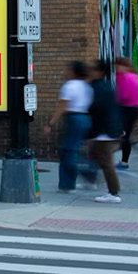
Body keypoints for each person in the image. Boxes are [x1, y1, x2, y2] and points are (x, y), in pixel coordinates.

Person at [52, 61, 93, 193]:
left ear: (74, 72)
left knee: (68, 151)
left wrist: (51, 123)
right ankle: (69, 182)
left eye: (68, 69)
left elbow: (63, 107)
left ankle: (76, 178)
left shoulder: (69, 86)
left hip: (74, 118)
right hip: (85, 117)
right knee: (73, 149)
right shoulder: (86, 86)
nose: (66, 72)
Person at [86, 59, 123, 203]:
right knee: (96, 156)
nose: (90, 72)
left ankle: (114, 193)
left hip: (105, 131)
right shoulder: (105, 86)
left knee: (106, 163)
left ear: (100, 72)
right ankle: (97, 181)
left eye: (92, 69)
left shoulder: (100, 88)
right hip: (107, 130)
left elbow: (96, 109)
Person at [114, 57, 138, 170]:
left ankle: (124, 162)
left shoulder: (123, 77)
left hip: (126, 109)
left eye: (118, 66)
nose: (116, 68)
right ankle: (124, 160)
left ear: (124, 66)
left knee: (124, 135)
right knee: (125, 135)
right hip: (134, 109)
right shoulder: (136, 77)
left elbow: (123, 96)